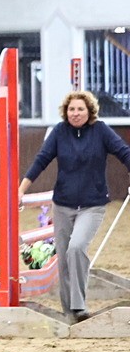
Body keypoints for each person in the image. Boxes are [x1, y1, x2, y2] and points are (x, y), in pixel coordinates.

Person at [18, 90, 130, 322]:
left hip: (93, 205)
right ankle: (68, 310)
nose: (76, 113)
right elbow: (42, 159)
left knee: (77, 248)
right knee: (64, 257)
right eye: (71, 109)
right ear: (65, 112)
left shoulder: (100, 130)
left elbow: (123, 152)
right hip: (63, 205)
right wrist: (22, 188)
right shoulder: (59, 132)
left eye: (80, 109)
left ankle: (79, 306)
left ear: (89, 111)